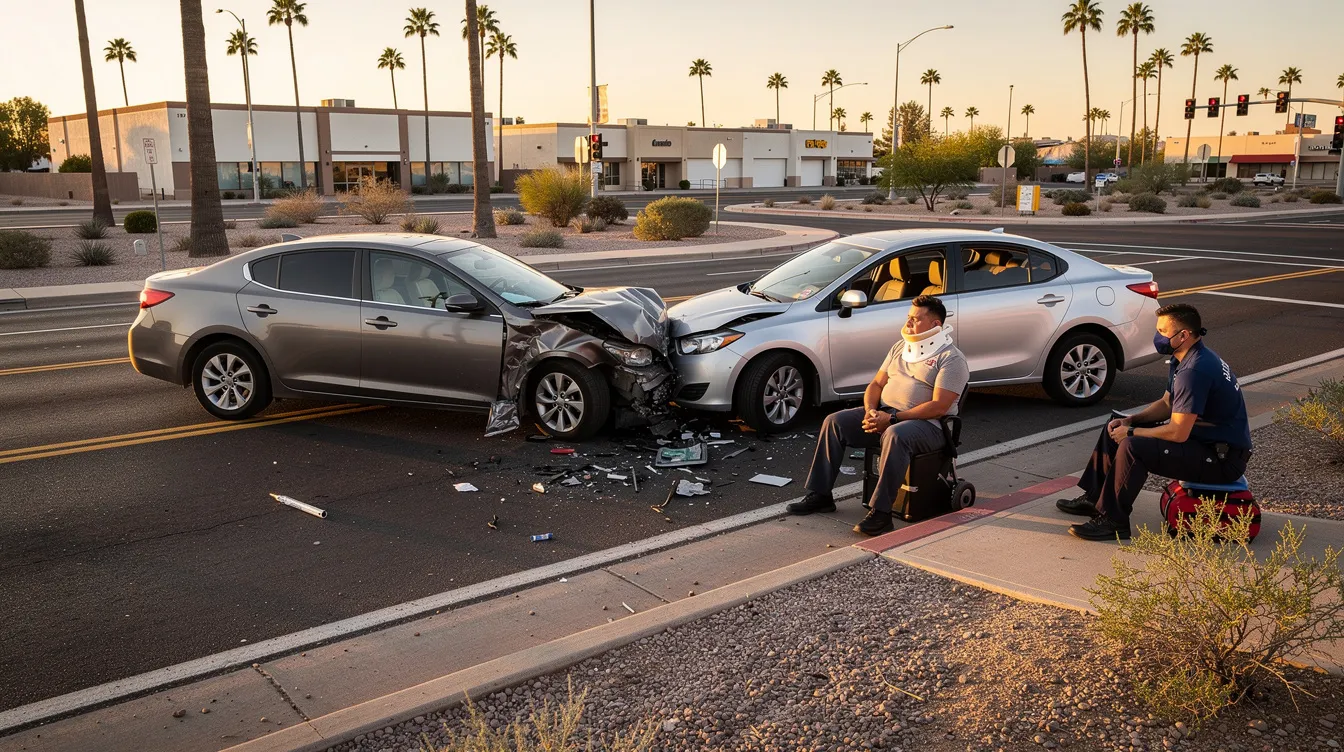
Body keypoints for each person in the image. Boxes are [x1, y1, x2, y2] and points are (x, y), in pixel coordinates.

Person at [1057, 303, 1252, 541]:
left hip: (1222, 460)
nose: (1157, 336)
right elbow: (1168, 404)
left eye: (1163, 332)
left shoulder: (1195, 371)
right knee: (1117, 424)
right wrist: (1130, 421)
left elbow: (1178, 433)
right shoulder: (1185, 358)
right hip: (1205, 442)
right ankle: (1094, 498)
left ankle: (1113, 521)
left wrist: (1133, 433)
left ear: (1183, 335)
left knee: (1132, 446)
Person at [787, 295, 969, 536]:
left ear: (935, 326)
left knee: (895, 434)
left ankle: (881, 514)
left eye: (915, 319)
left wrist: (892, 419)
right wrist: (871, 410)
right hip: (888, 415)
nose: (908, 324)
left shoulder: (952, 359)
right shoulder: (900, 347)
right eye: (908, 318)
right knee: (835, 422)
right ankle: (821, 495)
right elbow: (876, 384)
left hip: (930, 426)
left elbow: (939, 407)